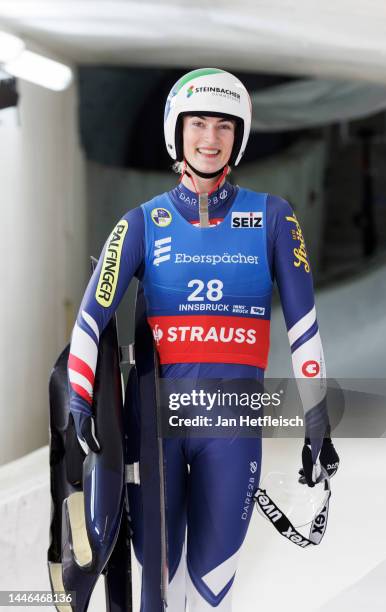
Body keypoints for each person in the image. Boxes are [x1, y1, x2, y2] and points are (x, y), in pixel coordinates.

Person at [68, 68, 339, 611]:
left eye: (223, 125)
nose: (210, 138)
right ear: (177, 132)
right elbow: (89, 320)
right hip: (154, 434)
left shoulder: (274, 219)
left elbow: (304, 328)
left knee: (213, 585)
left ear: (238, 137)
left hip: (232, 432)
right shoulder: (142, 223)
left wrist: (317, 422)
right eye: (198, 124)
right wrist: (78, 406)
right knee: (158, 584)